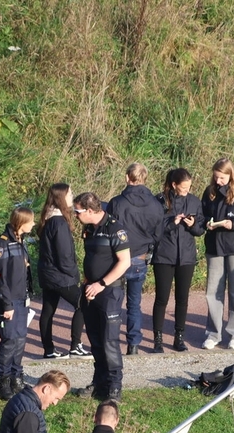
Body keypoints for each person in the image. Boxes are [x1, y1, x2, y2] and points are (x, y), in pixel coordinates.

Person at [72, 192, 131, 401]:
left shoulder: (115, 228)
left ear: (89, 210)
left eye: (77, 211)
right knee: (95, 339)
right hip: (90, 290)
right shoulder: (88, 229)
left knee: (109, 341)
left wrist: (101, 284)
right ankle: (99, 383)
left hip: (109, 291)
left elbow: (125, 262)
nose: (75, 215)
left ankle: (115, 387)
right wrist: (89, 282)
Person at [107, 162, 165, 355]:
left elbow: (109, 230)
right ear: (144, 178)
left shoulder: (117, 203)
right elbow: (158, 233)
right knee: (134, 303)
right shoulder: (156, 205)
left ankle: (112, 342)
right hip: (140, 257)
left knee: (114, 303)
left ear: (127, 178)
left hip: (118, 258)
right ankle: (133, 344)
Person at [201, 158, 234, 350]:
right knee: (212, 292)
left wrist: (233, 224)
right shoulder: (209, 192)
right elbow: (203, 215)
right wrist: (206, 223)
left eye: (222, 178)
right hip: (214, 247)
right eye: (216, 177)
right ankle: (213, 333)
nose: (218, 181)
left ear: (230, 175)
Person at [152, 168, 204, 353]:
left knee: (182, 299)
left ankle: (179, 337)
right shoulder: (159, 200)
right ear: (174, 185)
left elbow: (200, 229)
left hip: (187, 256)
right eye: (183, 188)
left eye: (189, 188)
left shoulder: (194, 201)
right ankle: (157, 339)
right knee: (161, 298)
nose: (186, 191)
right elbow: (154, 229)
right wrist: (171, 223)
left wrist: (193, 225)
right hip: (164, 256)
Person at [37, 183, 89, 360]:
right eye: (69, 193)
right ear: (61, 197)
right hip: (60, 275)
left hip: (47, 273)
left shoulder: (48, 218)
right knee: (84, 303)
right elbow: (64, 254)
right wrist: (74, 276)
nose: (72, 197)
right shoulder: (58, 222)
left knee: (48, 310)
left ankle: (49, 350)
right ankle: (75, 346)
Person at [0, 206, 35, 400]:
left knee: (20, 340)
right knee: (9, 341)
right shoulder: (2, 245)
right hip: (8, 301)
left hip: (21, 299)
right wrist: (6, 305)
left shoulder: (20, 241)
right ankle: (4, 381)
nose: (33, 224)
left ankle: (17, 377)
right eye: (31, 221)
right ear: (21, 223)